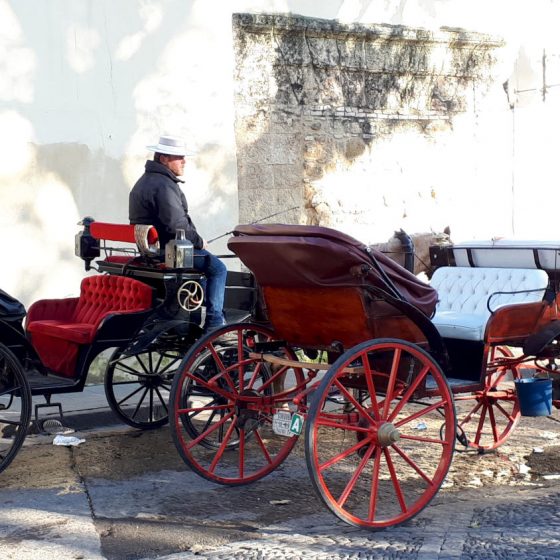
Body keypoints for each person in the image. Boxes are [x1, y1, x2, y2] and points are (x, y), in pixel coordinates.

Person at [129, 135, 227, 331]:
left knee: (206, 271)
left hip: (152, 252)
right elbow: (177, 225)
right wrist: (199, 242)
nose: (184, 161)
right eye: (179, 157)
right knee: (218, 268)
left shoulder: (144, 181)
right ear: (164, 159)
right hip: (171, 252)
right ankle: (215, 323)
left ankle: (200, 305)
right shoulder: (164, 186)